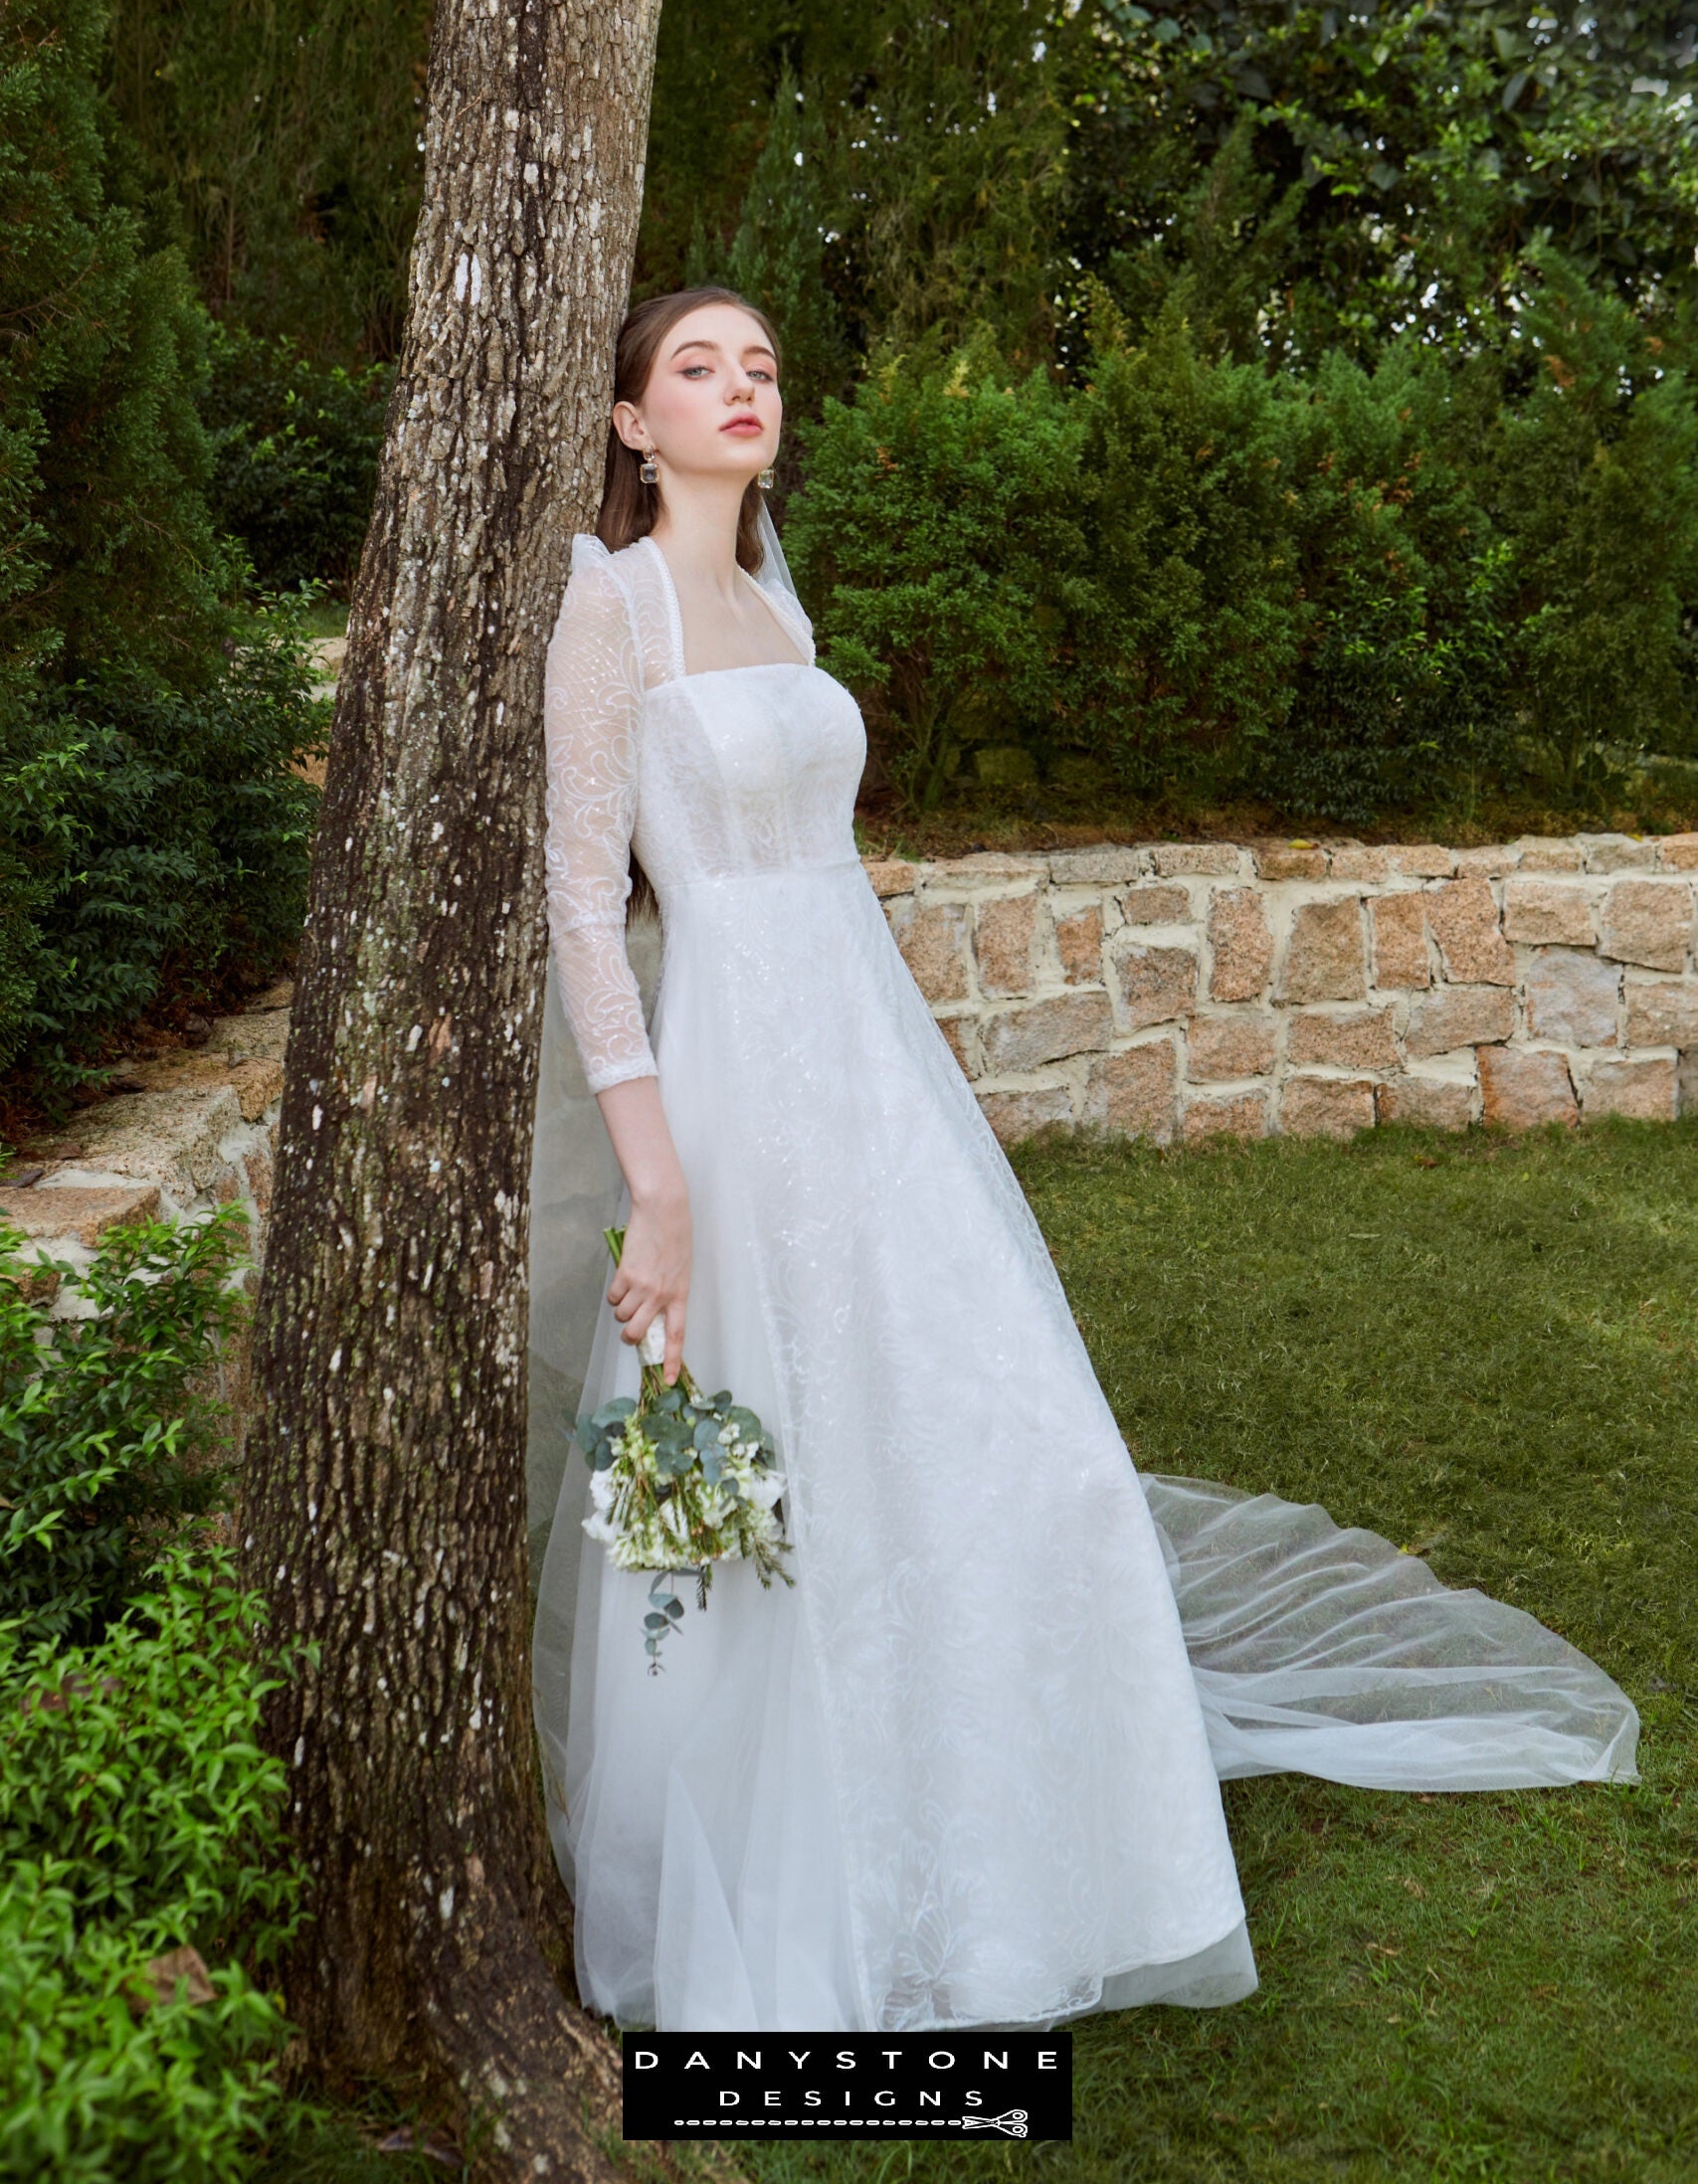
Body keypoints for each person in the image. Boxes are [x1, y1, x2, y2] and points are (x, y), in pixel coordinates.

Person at [528, 284, 1637, 2036]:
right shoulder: (617, 607)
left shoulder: (770, 595)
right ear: (627, 424)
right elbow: (589, 916)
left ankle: (1003, 1842)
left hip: (869, 1077)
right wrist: (656, 1184)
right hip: (726, 1086)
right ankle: (763, 1895)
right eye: (695, 368)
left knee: (1000, 1439)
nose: (739, 390)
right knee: (744, 1472)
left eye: (760, 368)